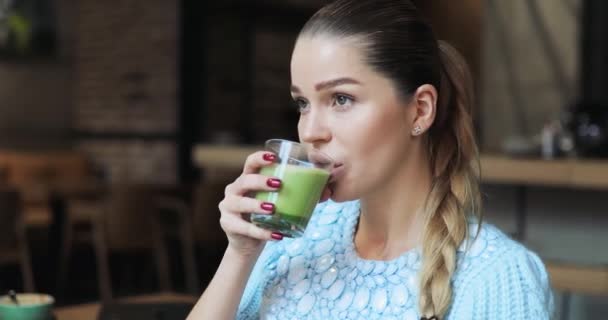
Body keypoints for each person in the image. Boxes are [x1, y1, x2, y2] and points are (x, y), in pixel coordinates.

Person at [187, 0, 554, 319]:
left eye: (341, 99)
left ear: (420, 110)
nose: (311, 130)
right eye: (302, 103)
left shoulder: (495, 276)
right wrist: (240, 255)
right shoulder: (292, 240)